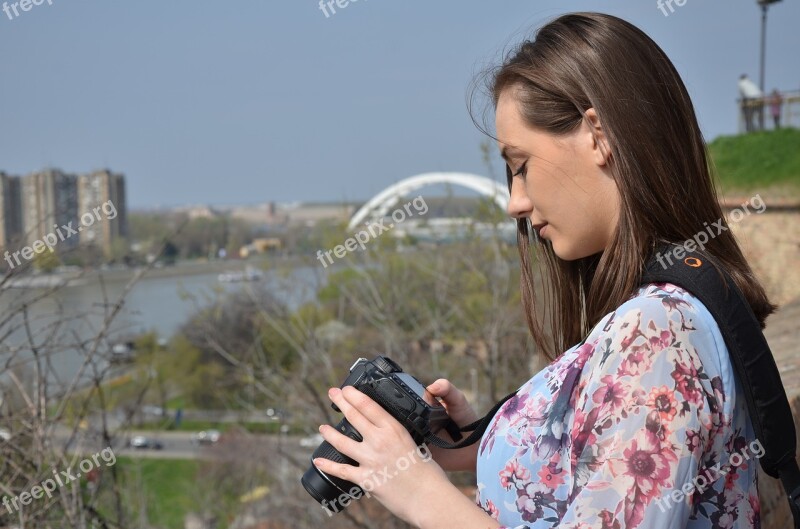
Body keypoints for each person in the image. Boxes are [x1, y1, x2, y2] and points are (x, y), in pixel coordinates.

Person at [313, 12, 773, 529]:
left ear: (598, 134)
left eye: (520, 165)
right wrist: (491, 436)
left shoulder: (656, 333)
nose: (515, 202)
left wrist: (418, 494)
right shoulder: (677, 304)